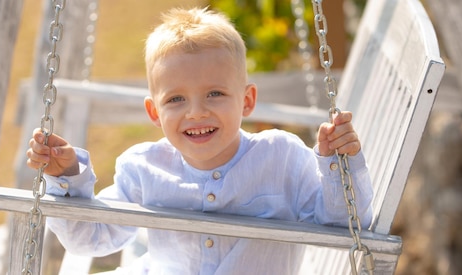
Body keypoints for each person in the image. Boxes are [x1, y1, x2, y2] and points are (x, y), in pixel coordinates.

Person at [26, 7, 373, 275]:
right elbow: (91, 238)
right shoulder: (144, 168)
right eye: (176, 99)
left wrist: (338, 163)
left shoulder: (281, 158)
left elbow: (343, 224)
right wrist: (67, 176)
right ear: (154, 112)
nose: (196, 112)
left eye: (215, 93)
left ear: (247, 101)